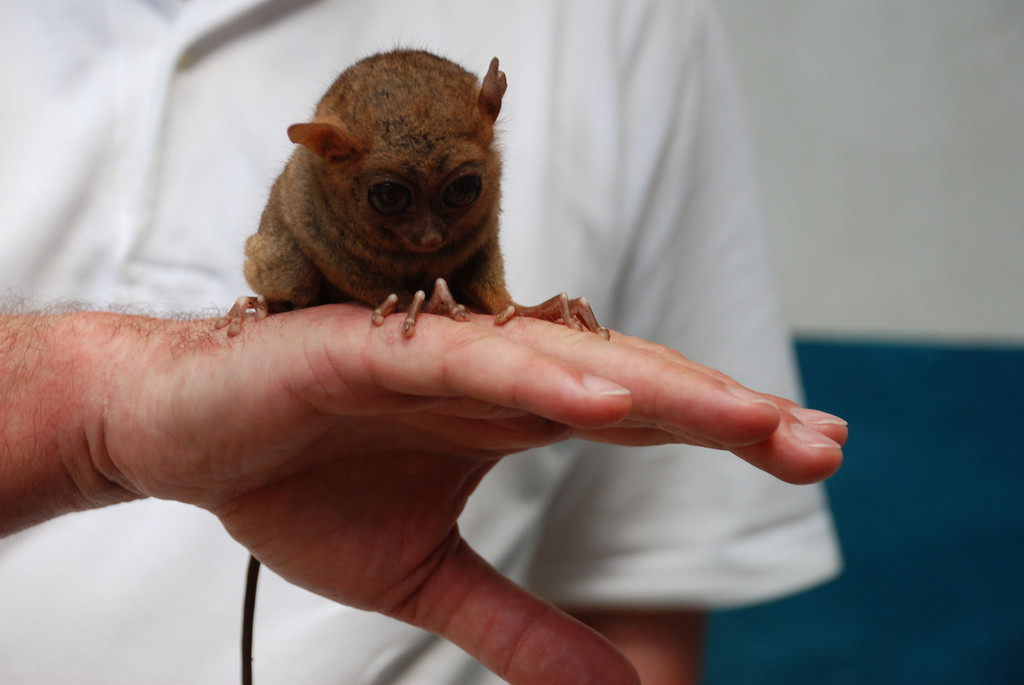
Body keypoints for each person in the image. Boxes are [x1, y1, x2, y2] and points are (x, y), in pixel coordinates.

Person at [0, 1, 845, 684]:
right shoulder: (317, 186)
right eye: (395, 201)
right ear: (332, 156)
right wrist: (91, 405)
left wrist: (496, 300)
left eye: (461, 191)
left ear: (491, 130)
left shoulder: (629, 23)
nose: (427, 230)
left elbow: (644, 573)